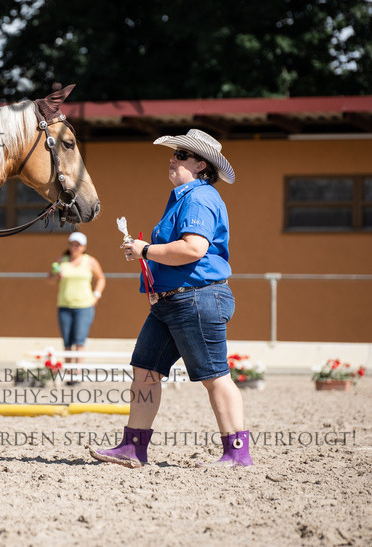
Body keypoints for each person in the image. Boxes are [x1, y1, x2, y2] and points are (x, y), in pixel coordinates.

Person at [90, 129, 251, 468]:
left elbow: (193, 248)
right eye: (175, 153)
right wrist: (146, 253)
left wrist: (146, 250)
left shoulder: (199, 197)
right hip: (173, 301)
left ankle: (238, 453)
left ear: (201, 165)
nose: (172, 158)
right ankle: (133, 447)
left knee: (214, 376)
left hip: (196, 299)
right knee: (145, 371)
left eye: (180, 155)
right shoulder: (184, 197)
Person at [50, 232, 105, 361]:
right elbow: (50, 280)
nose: (74, 247)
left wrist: (96, 295)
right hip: (64, 305)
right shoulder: (61, 261)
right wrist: (56, 276)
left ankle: (78, 371)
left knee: (80, 341)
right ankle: (68, 370)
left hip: (84, 306)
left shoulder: (90, 261)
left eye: (78, 244)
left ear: (84, 246)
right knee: (67, 343)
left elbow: (101, 278)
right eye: (72, 244)